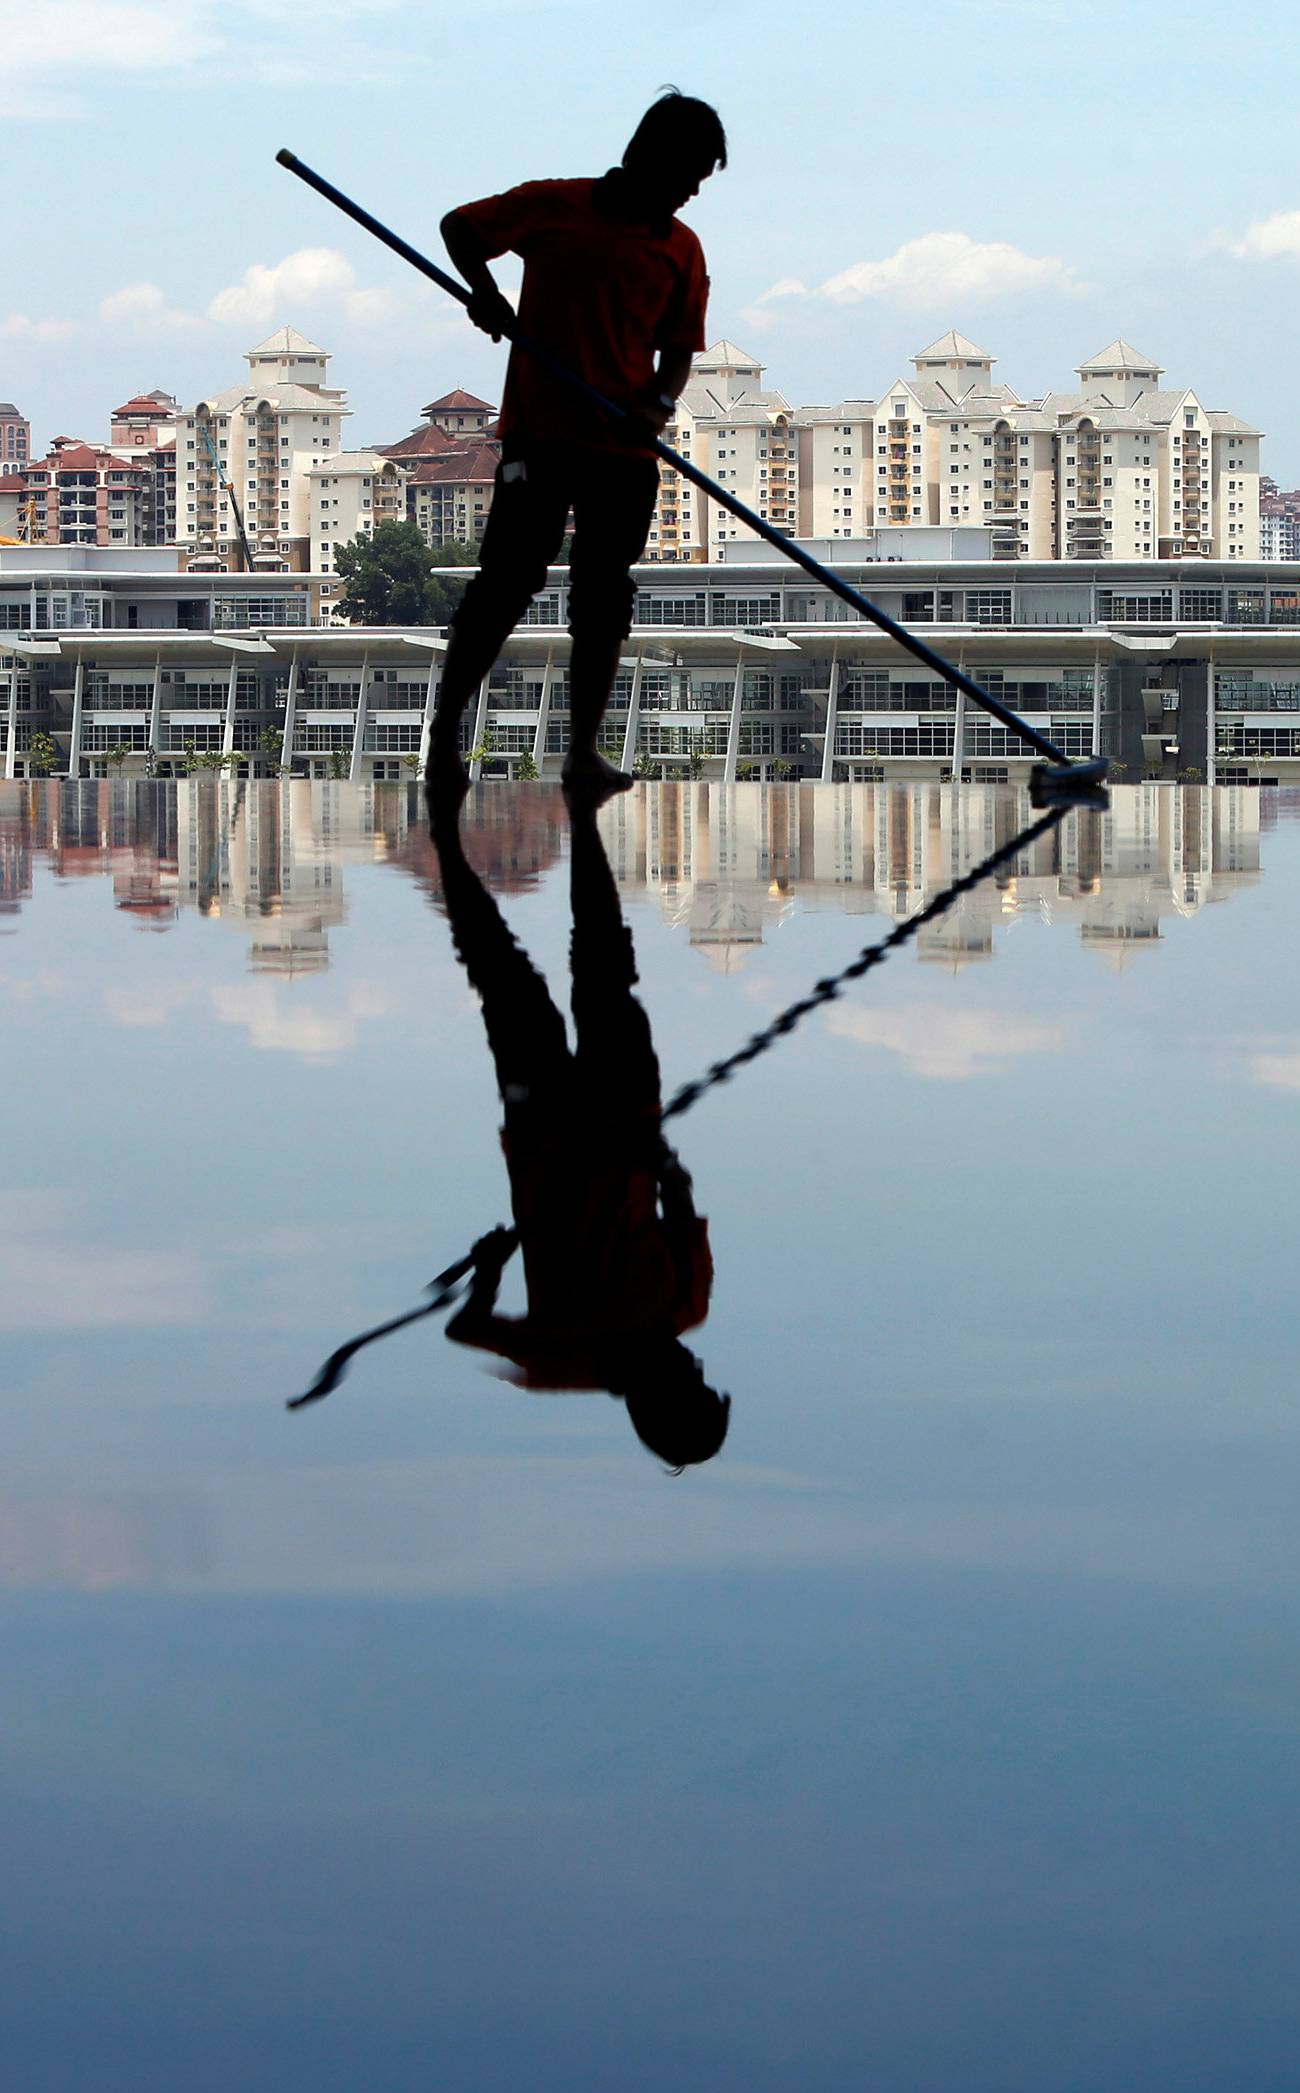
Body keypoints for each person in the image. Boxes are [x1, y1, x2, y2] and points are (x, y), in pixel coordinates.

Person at [424, 89, 725, 805]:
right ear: (655, 158)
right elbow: (458, 227)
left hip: (623, 451)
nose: (691, 193)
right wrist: (485, 294)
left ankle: (582, 754)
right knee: (505, 584)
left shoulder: (680, 248)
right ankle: (443, 738)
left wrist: (655, 406)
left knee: (602, 599)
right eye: (689, 175)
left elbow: (678, 352)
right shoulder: (555, 206)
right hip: (542, 436)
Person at [428, 785, 731, 1468]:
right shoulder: (596, 1346)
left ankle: (451, 844)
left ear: (660, 1398)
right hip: (607, 1113)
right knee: (595, 965)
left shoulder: (569, 1358)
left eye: (696, 1380)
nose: (697, 1365)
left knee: (514, 981)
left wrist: (490, 1266)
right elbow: (680, 1200)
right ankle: (576, 816)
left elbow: (466, 1325)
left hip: (557, 1125)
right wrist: (490, 1265)